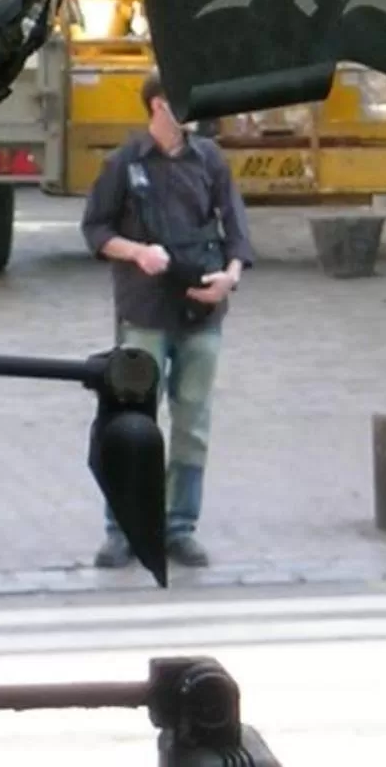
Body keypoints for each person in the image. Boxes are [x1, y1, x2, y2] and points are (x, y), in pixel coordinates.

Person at [80, 70, 254, 570]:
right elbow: (95, 229)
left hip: (202, 310)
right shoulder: (125, 163)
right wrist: (136, 253)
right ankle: (122, 528)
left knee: (193, 420)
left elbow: (237, 229)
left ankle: (180, 526)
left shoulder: (210, 160)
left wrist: (230, 277)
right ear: (157, 106)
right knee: (132, 420)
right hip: (145, 310)